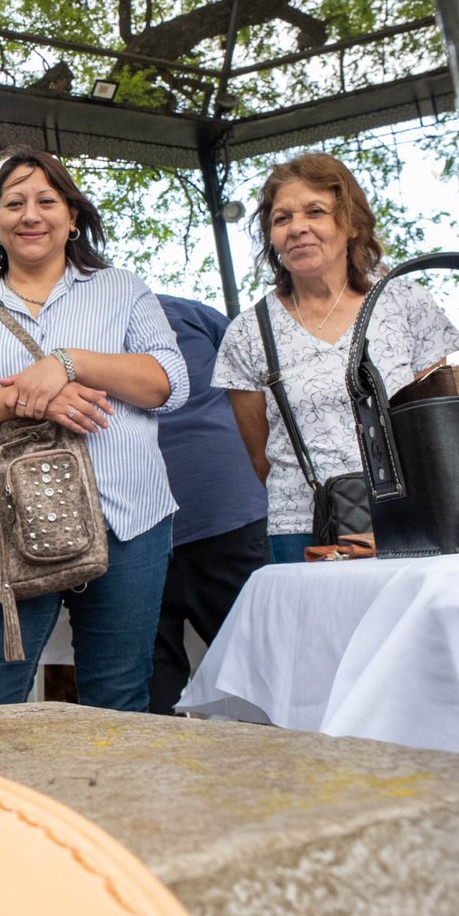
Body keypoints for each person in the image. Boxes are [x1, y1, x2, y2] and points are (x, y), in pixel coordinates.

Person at [0, 147, 188, 713]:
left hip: (127, 517)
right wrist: (24, 397)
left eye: (46, 200)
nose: (30, 214)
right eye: (14, 203)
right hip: (1, 531)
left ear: (72, 216)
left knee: (120, 696)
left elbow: (167, 383)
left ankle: (100, 806)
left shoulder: (123, 289)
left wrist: (67, 362)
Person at [212, 152, 459, 563]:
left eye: (315, 211)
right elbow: (261, 458)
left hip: (414, 516)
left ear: (350, 224)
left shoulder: (403, 301)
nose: (298, 228)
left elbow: (441, 426)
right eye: (281, 219)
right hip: (303, 527)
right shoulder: (247, 332)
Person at [146, 296, 269, 716]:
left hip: (211, 514)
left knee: (153, 686)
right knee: (258, 672)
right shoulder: (187, 312)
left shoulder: (185, 313)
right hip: (168, 521)